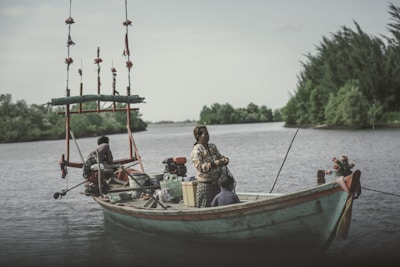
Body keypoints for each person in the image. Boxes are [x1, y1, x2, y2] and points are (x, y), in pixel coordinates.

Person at [191, 125, 229, 208]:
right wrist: (213, 164)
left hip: (216, 183)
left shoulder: (212, 146)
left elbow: (220, 156)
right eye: (205, 134)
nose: (208, 136)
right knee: (205, 207)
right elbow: (200, 167)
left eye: (208, 134)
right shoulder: (197, 150)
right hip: (205, 186)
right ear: (198, 136)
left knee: (217, 207)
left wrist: (225, 160)